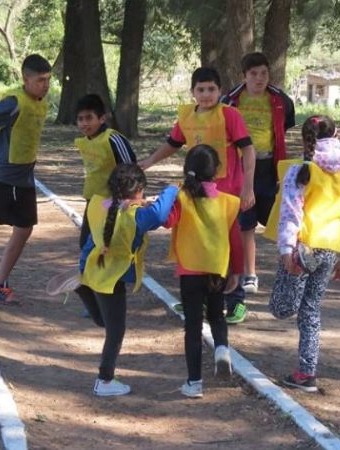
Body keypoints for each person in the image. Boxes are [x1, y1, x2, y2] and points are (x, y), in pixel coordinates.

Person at [139, 67, 255, 324]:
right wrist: (148, 162)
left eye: (211, 89)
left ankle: (235, 300)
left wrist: (248, 186)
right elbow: (173, 143)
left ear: (220, 91)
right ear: (192, 92)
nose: (206, 94)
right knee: (199, 242)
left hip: (226, 193)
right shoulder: (186, 117)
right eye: (200, 89)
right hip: (196, 192)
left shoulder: (230, 115)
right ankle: (199, 298)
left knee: (227, 243)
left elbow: (248, 150)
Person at [269, 115, 340, 393]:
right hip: (330, 250)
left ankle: (305, 370)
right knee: (311, 310)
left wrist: (286, 249)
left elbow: (290, 212)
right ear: (338, 135)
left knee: (280, 307)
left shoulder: (300, 171)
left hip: (304, 249)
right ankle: (307, 372)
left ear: (305, 139)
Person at [75, 164, 177, 396]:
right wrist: (172, 188)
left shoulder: (102, 205)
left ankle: (82, 290)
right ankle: (105, 380)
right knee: (116, 330)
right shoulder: (137, 216)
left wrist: (136, 202)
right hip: (111, 278)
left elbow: (115, 209)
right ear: (139, 189)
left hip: (91, 270)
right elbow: (160, 214)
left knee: (106, 322)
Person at [164, 145, 242, 398]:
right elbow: (236, 239)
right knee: (217, 316)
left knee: (193, 326)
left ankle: (194, 383)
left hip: (189, 269)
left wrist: (170, 192)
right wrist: (237, 271)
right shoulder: (228, 202)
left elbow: (167, 221)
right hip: (217, 268)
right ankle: (221, 348)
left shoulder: (182, 198)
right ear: (217, 170)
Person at [0, 54, 51, 304]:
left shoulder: (42, 102)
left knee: (24, 228)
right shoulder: (13, 103)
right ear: (25, 79)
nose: (45, 85)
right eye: (40, 80)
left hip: (25, 177)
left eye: (48, 80)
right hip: (2, 176)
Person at [221, 52, 296, 296]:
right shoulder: (230, 101)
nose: (259, 78)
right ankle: (249, 273)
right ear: (243, 76)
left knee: (279, 218)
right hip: (240, 169)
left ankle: (292, 266)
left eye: (263, 73)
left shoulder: (280, 100)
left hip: (269, 168)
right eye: (253, 74)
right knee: (246, 222)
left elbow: (283, 130)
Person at [74, 94, 136, 249]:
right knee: (86, 244)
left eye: (89, 118)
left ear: (102, 118)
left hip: (112, 201)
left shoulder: (112, 139)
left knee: (108, 244)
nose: (84, 123)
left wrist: (128, 198)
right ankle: (90, 273)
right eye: (80, 119)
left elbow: (131, 168)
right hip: (93, 200)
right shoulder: (84, 141)